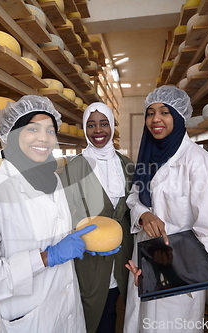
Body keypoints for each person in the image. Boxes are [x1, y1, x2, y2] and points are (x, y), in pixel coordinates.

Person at [0, 95, 96, 333]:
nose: (44, 137)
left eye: (51, 130)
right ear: (12, 135)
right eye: (32, 129)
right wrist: (45, 258)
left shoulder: (53, 181)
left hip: (67, 310)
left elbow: (49, 231)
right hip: (28, 320)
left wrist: (82, 240)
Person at [123, 86, 208, 333]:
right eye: (150, 113)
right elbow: (134, 197)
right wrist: (143, 215)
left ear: (179, 116)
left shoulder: (199, 163)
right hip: (145, 263)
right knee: (140, 324)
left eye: (164, 112)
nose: (155, 119)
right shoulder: (146, 156)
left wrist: (175, 273)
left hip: (180, 273)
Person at [60, 102, 134, 333]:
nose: (98, 131)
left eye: (104, 124)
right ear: (84, 129)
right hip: (89, 255)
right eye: (91, 125)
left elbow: (135, 206)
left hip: (122, 252)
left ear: (112, 126)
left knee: (112, 306)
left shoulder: (127, 165)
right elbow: (63, 213)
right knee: (90, 309)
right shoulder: (74, 168)